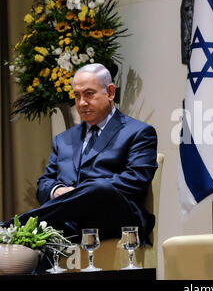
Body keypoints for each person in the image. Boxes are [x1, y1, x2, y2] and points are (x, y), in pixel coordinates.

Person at [5, 63, 158, 243]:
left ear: (110, 92)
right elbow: (45, 183)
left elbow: (136, 180)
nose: (82, 103)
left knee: (100, 188)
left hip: (115, 218)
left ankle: (11, 227)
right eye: (77, 96)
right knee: (34, 250)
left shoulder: (138, 132)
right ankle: (23, 237)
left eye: (89, 94)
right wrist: (57, 191)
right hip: (69, 223)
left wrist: (79, 193)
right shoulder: (63, 140)